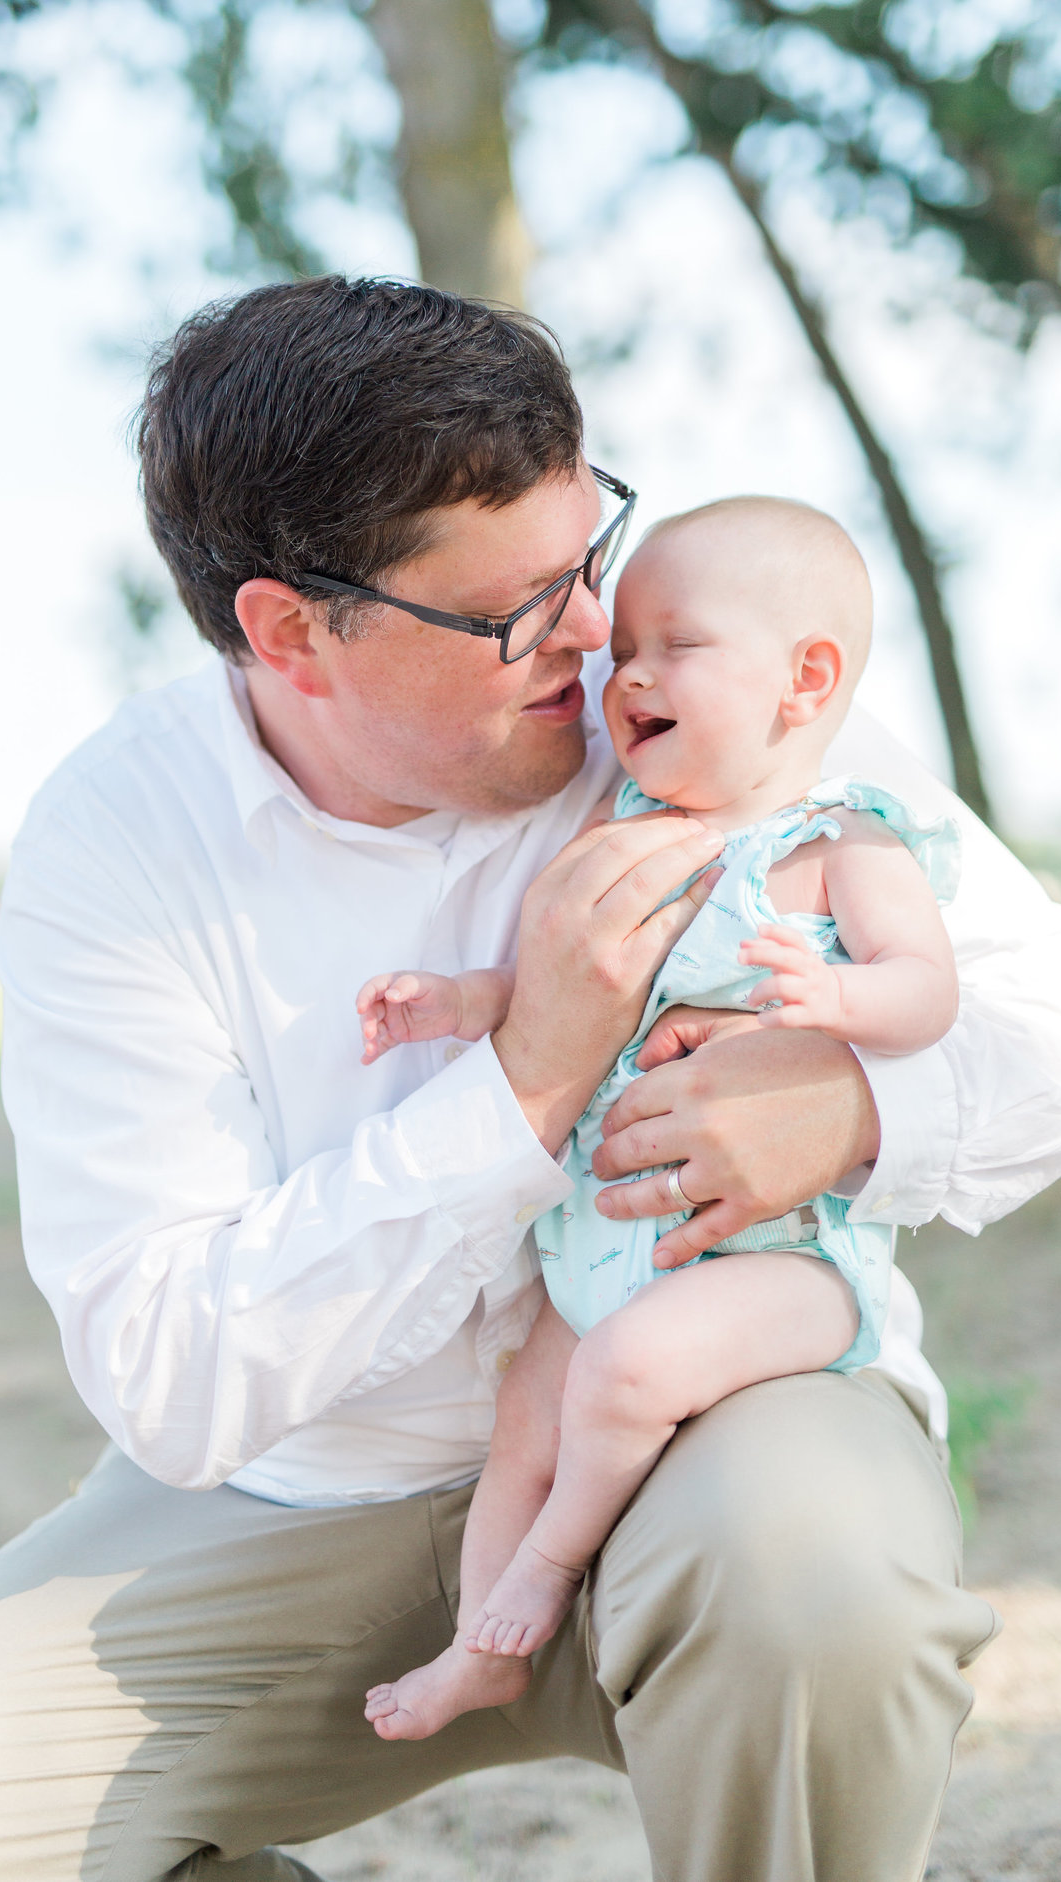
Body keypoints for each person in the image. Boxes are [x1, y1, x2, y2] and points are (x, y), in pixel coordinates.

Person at [0, 277, 1061, 1882]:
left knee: (813, 1579)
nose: (598, 635)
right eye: (510, 612)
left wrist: (854, 1108)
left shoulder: (701, 702)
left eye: (589, 557)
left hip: (705, 1432)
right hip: (300, 1505)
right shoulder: (119, 844)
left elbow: (1054, 1025)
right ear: (289, 630)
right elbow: (165, 1374)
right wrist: (525, 1078)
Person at [360, 496, 962, 1740]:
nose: (626, 669)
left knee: (625, 1371)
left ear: (806, 680)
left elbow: (931, 992)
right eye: (622, 643)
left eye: (674, 645)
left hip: (784, 1262)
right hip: (607, 1250)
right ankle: (483, 1647)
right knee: (527, 1407)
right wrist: (459, 1000)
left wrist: (837, 996)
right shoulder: (621, 829)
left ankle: (546, 1573)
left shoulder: (839, 841)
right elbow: (551, 980)